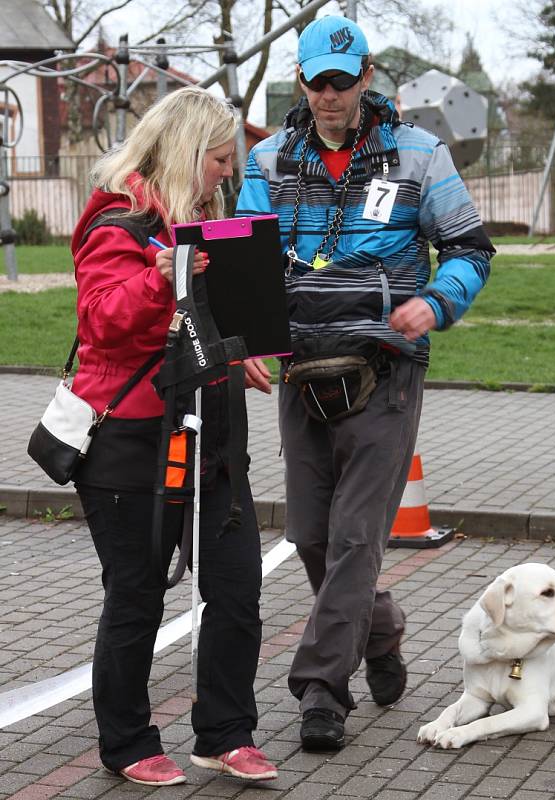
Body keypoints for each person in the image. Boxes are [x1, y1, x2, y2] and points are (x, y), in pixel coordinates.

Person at [236, 15, 495, 751]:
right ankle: (379, 633)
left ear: (367, 77)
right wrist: (248, 342)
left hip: (383, 371)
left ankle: (321, 689)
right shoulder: (268, 161)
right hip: (300, 371)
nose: (327, 94)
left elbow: (469, 248)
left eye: (340, 82)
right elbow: (248, 261)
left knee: (355, 536)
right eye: (316, 81)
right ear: (300, 79)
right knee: (313, 536)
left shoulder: (419, 155)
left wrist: (434, 301)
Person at [70, 86, 276, 786]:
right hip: (130, 444)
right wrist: (159, 280)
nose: (228, 173)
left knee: (238, 588)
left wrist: (233, 348)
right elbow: (103, 324)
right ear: (189, 154)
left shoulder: (203, 224)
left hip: (212, 441)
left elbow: (203, 320)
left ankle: (225, 732)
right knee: (137, 594)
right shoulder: (118, 225)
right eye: (219, 160)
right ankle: (126, 742)